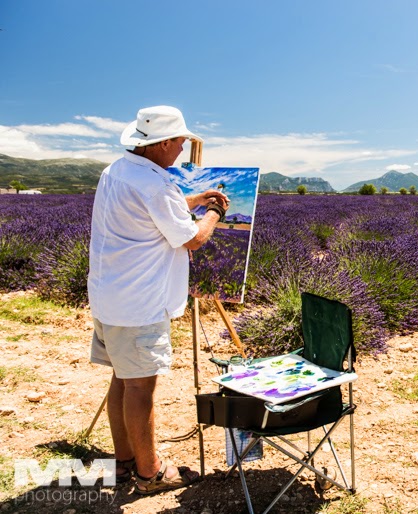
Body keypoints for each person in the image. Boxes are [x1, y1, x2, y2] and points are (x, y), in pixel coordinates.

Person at [88, 105, 229, 494]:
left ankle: (123, 462)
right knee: (140, 388)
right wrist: (214, 212)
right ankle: (150, 474)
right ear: (163, 142)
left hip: (109, 295)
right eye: (181, 141)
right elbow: (192, 239)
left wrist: (195, 198)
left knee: (122, 378)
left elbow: (151, 213)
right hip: (139, 303)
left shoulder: (117, 170)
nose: (183, 149)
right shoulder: (155, 183)